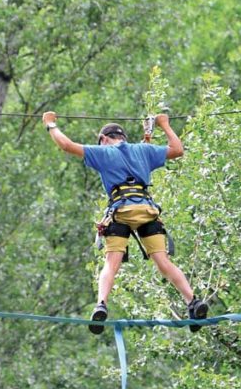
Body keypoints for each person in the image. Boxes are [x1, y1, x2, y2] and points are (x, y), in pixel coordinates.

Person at [42, 111, 208, 334]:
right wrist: (165, 125)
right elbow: (177, 150)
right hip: (147, 211)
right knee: (163, 262)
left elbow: (66, 145)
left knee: (112, 263)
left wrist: (50, 124)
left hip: (120, 212)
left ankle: (101, 303)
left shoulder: (103, 152)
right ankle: (192, 301)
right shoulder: (143, 150)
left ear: (103, 139)